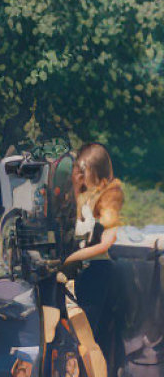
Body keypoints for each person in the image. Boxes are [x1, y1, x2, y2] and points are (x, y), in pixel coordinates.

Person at [63, 142, 124, 375]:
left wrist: (72, 257)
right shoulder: (86, 198)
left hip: (97, 273)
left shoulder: (109, 198)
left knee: (87, 340)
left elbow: (105, 243)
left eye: (84, 173)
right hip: (84, 274)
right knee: (80, 340)